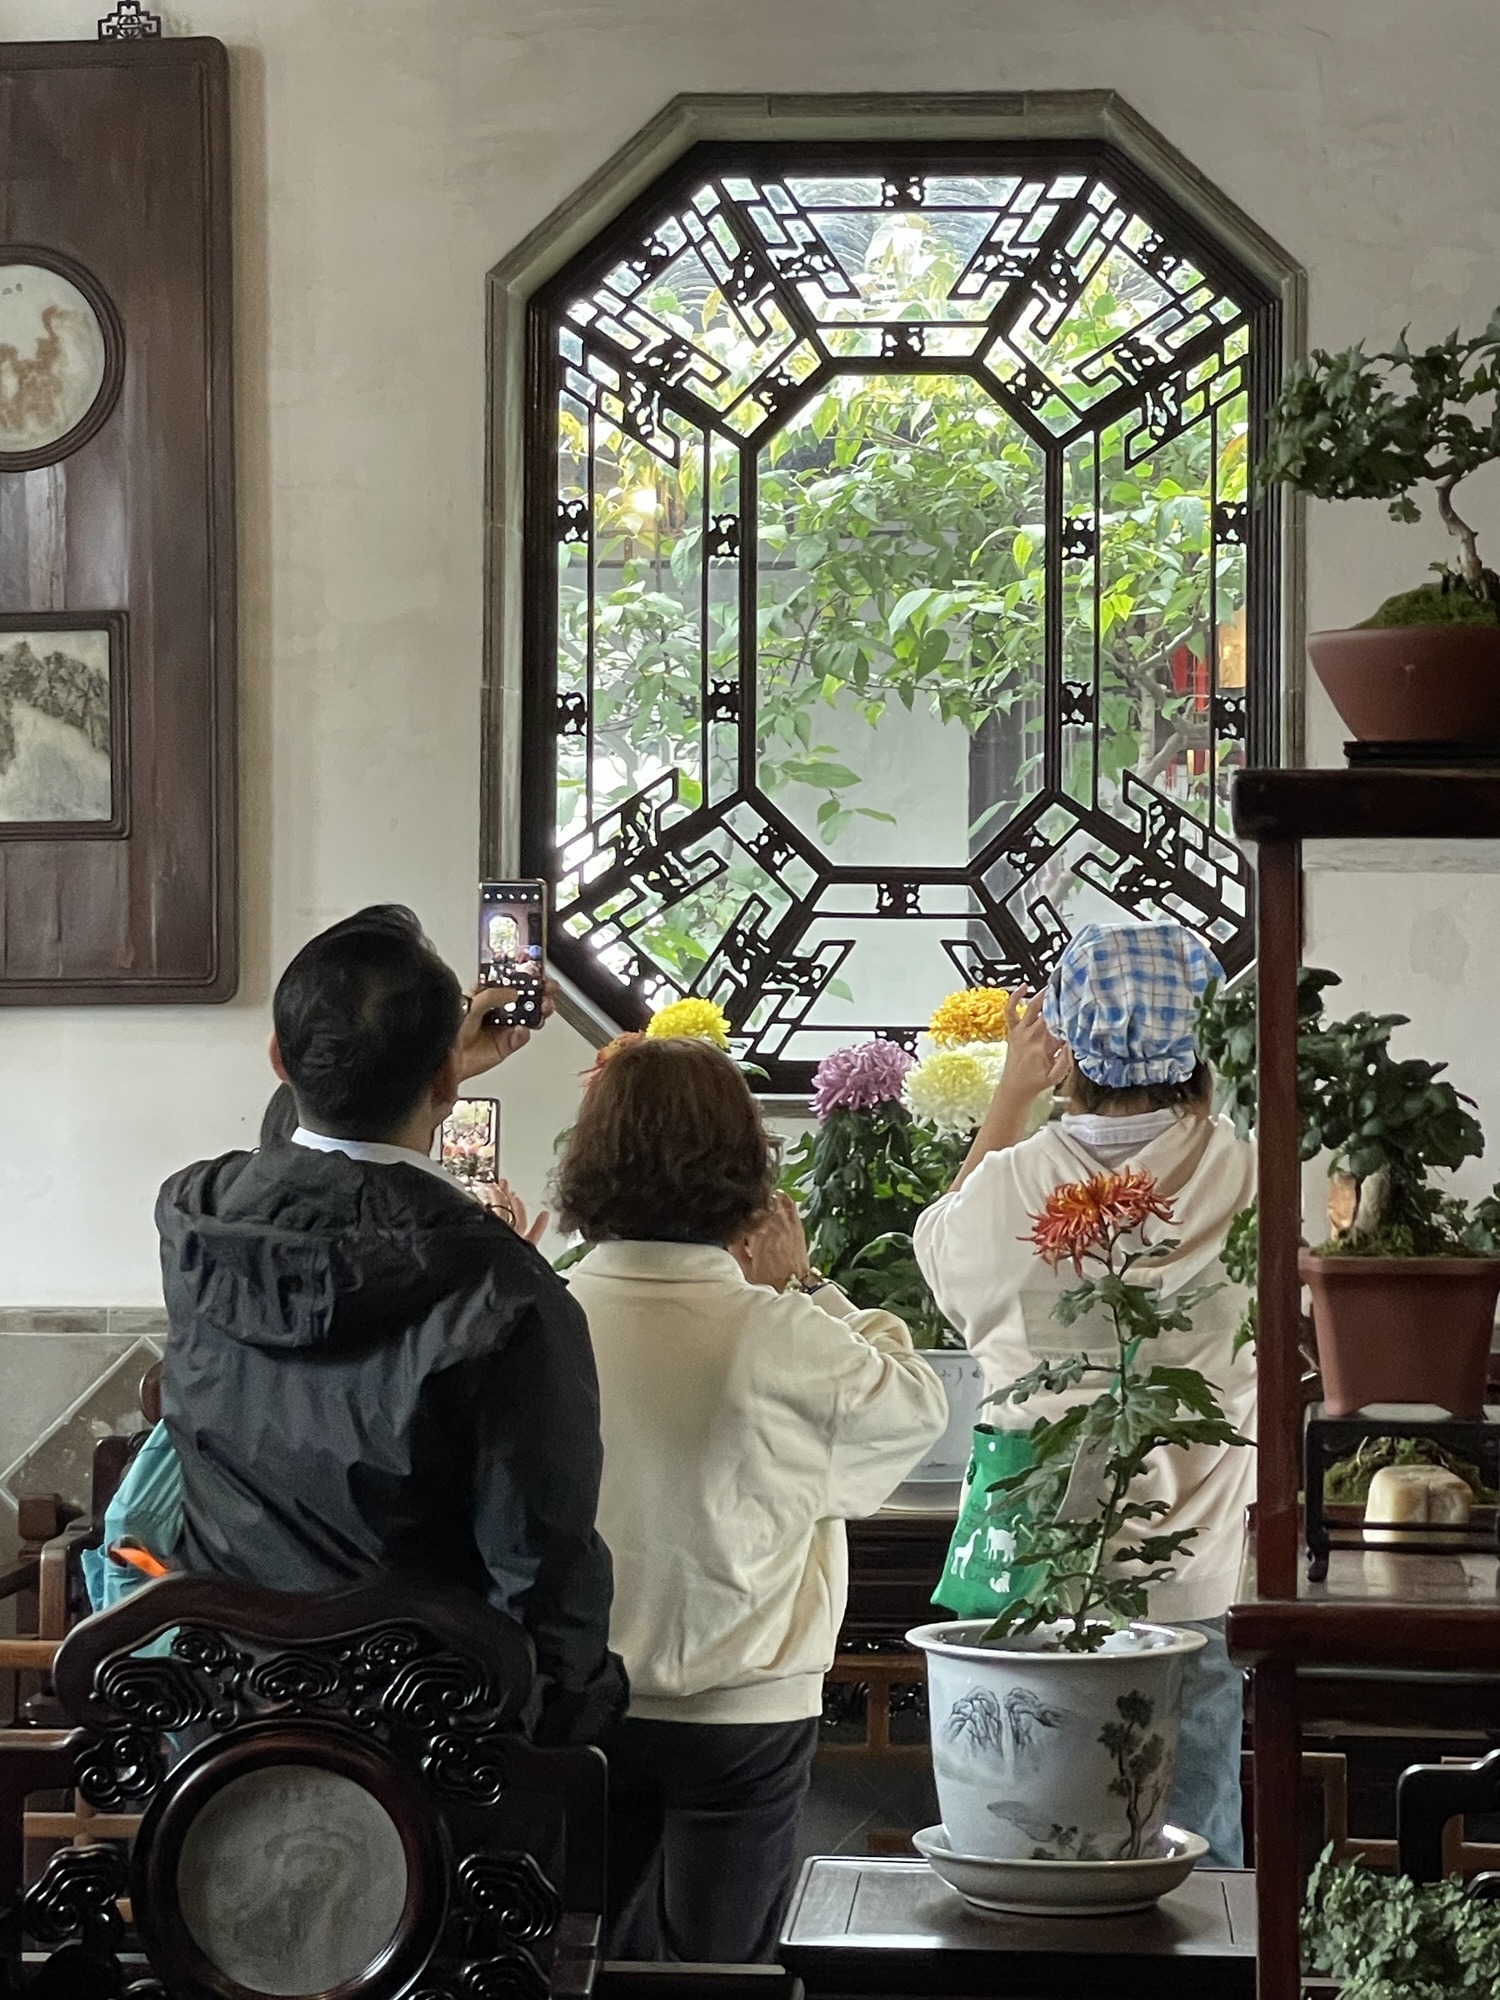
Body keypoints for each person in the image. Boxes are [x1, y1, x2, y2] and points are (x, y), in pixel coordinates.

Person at [157, 904, 626, 1745]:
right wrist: (564, 1740)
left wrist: (431, 1074)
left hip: (224, 1735)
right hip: (421, 1753)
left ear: (278, 1060)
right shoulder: (507, 1291)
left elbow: (299, 1163)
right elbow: (541, 1571)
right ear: (445, 1080)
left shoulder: (196, 1217)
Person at [556, 1037, 947, 1962]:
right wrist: (806, 1285)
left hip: (577, 1698)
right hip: (744, 1706)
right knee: (722, 1966)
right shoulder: (776, 1329)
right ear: (743, 1166)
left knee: (576, 1959)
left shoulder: (547, 1311)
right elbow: (916, 1407)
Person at [913, 921, 1256, 1867]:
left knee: (1022, 1835)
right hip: (1195, 1569)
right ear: (1202, 1045)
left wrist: (1010, 1099)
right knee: (1195, 1838)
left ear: (1069, 1042)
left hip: (1036, 1566)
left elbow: (939, 1255)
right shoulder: (1249, 1173)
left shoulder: (1011, 1183)